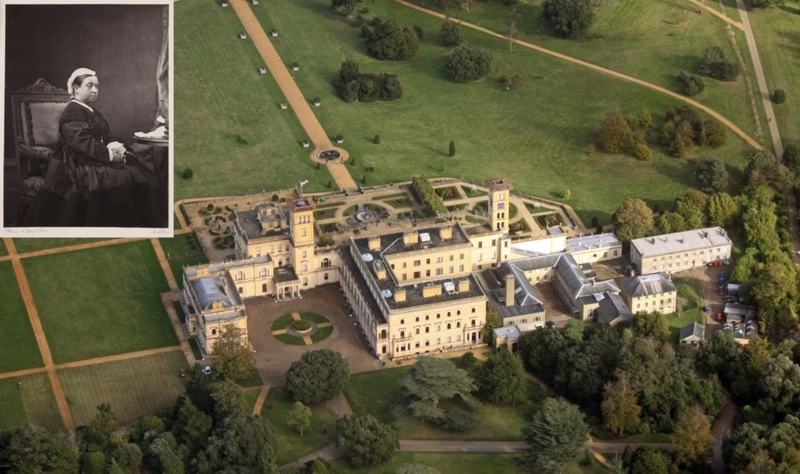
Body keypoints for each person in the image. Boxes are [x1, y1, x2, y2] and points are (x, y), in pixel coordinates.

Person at [24, 68, 167, 228]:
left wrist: (114, 144)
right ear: (76, 88)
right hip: (78, 163)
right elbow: (81, 143)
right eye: (89, 85)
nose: (95, 90)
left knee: (139, 173)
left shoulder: (92, 111)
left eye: (97, 86)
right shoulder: (73, 112)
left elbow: (107, 133)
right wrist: (110, 155)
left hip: (95, 156)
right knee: (118, 178)